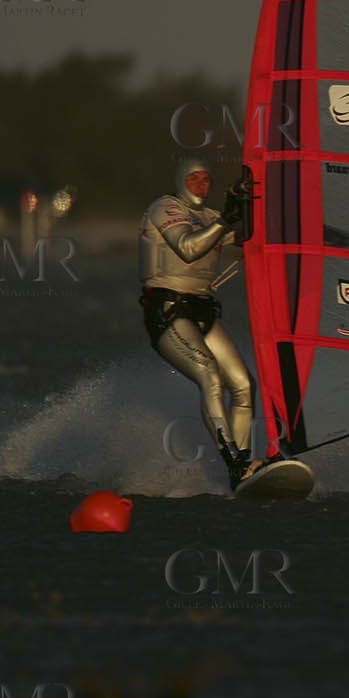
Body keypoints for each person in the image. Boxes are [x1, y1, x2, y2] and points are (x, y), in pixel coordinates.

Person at [140, 158, 262, 490]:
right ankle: (233, 463)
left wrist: (253, 208)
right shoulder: (165, 207)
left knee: (243, 385)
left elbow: (250, 241)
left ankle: (245, 468)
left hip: (203, 310)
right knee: (208, 373)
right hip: (167, 311)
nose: (201, 186)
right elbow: (189, 248)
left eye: (207, 180)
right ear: (182, 180)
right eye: (194, 179)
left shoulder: (210, 218)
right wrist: (226, 218)